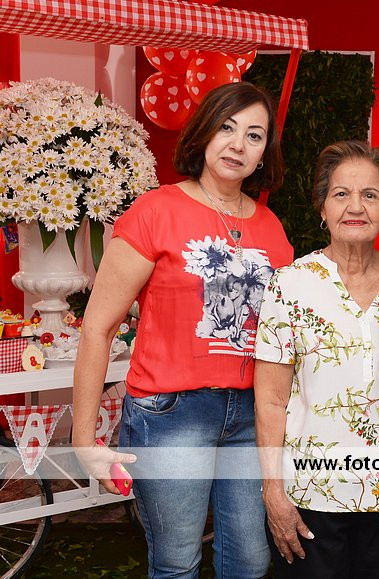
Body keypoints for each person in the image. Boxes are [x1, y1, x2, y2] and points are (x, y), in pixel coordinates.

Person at [72, 81, 293, 578]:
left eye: (254, 135)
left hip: (251, 416)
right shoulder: (156, 211)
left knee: (251, 560)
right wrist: (85, 438)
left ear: (264, 153)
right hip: (171, 414)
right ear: (205, 132)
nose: (238, 144)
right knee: (176, 562)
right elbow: (97, 328)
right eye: (227, 127)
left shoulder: (272, 228)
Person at [254, 140, 379, 579]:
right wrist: (273, 491)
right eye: (341, 194)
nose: (355, 207)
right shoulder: (289, 284)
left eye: (370, 195)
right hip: (308, 496)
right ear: (322, 206)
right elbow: (271, 400)